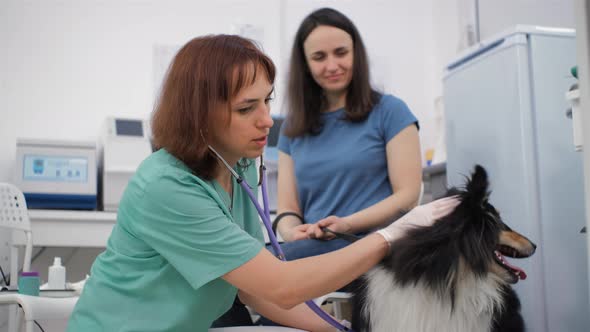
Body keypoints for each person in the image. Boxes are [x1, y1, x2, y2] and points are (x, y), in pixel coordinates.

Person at [66, 34, 458, 332]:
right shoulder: (166, 185)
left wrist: (338, 329)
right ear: (197, 115)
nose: (267, 120)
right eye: (246, 108)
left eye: (267, 101)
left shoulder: (237, 171)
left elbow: (252, 287)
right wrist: (391, 236)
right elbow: (282, 286)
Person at [274, 7, 423, 261]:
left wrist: (346, 225)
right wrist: (290, 232)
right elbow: (288, 209)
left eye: (341, 53)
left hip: (376, 248)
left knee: (263, 271)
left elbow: (407, 196)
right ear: (306, 65)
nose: (332, 65)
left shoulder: (390, 111)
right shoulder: (292, 129)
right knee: (259, 266)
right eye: (319, 57)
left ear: (356, 53)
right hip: (315, 249)